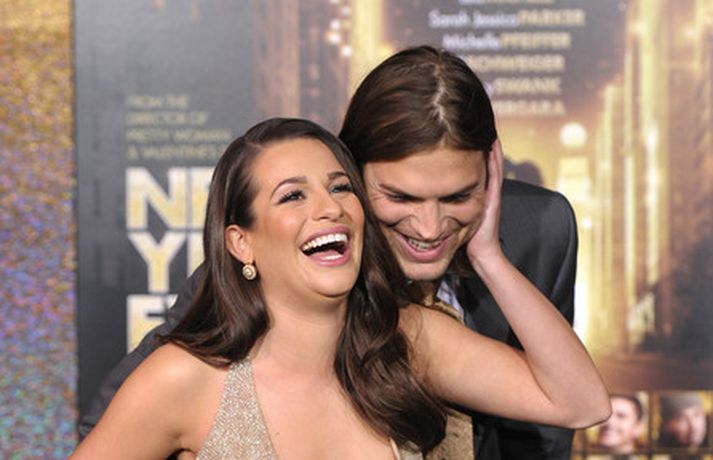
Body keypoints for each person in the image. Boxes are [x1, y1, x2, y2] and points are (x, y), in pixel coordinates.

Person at [80, 46, 582, 459]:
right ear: (355, 173)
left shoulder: (535, 233)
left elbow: (555, 425)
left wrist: (489, 258)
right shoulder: (258, 267)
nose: (430, 228)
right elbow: (120, 420)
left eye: (456, 197)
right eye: (401, 197)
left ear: (489, 177)